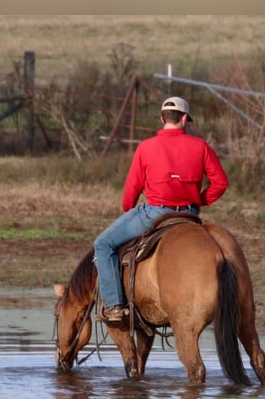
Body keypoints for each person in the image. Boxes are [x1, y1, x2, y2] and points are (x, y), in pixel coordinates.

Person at [93, 96, 229, 321]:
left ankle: (114, 306)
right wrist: (199, 200)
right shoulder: (201, 146)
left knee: (103, 244)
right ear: (184, 119)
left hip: (154, 214)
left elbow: (132, 190)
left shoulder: (146, 147)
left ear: (161, 118)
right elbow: (221, 183)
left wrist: (129, 209)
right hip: (189, 214)